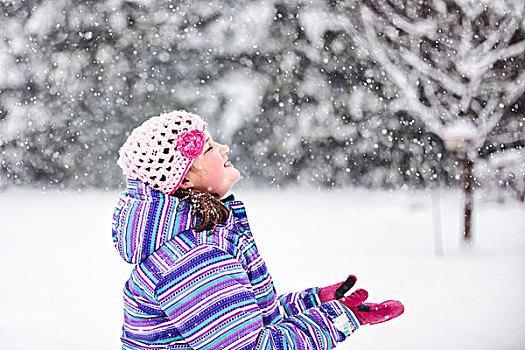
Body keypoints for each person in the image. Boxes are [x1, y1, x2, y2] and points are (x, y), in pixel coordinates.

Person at [112, 110, 404, 350]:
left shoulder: (200, 240)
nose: (224, 148)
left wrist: (313, 302)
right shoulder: (193, 259)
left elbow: (248, 320)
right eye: (210, 148)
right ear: (185, 180)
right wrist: (339, 319)